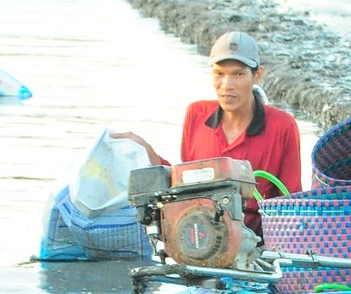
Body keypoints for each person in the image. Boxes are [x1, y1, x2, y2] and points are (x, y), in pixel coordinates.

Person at [112, 32, 303, 234]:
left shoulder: (283, 126)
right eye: (219, 73)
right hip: (200, 235)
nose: (227, 85)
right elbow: (183, 184)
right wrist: (147, 152)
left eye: (238, 74)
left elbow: (291, 200)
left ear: (257, 75)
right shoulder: (196, 114)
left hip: (256, 243)